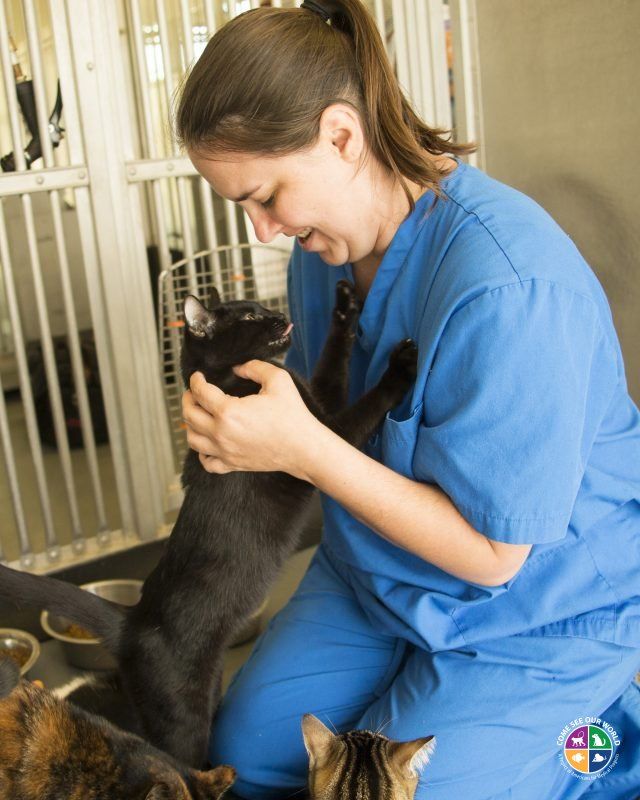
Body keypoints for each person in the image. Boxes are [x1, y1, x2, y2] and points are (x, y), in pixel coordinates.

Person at [176, 1, 640, 797]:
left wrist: (301, 447)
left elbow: (492, 557)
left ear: (341, 137)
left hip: (539, 609)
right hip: (378, 571)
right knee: (244, 762)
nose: (261, 231)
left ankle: (597, 739)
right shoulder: (321, 256)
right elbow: (329, 425)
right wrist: (240, 430)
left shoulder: (508, 286)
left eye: (266, 196)